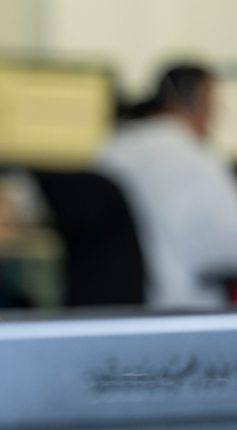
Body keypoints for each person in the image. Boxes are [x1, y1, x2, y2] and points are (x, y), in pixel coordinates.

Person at [96, 65, 237, 309]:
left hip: (115, 311)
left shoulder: (113, 150)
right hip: (185, 311)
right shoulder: (198, 160)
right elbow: (231, 248)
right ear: (199, 103)